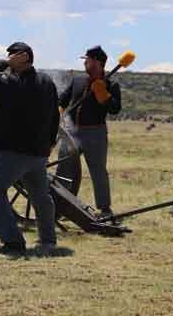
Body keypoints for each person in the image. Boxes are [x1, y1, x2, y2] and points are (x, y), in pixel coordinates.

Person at [0, 42, 60, 255]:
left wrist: (6, 63)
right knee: (41, 196)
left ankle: (13, 241)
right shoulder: (46, 81)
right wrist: (50, 142)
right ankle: (48, 239)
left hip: (14, 151)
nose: (10, 62)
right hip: (38, 152)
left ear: (22, 58)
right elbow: (55, 115)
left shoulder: (12, 82)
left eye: (13, 57)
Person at [57, 46, 121, 219]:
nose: (85, 62)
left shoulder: (111, 84)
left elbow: (115, 109)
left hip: (95, 133)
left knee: (98, 171)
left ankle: (105, 209)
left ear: (97, 63)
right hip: (71, 132)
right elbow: (63, 99)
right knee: (64, 169)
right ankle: (60, 206)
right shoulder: (77, 80)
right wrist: (58, 110)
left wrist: (104, 94)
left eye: (88, 59)